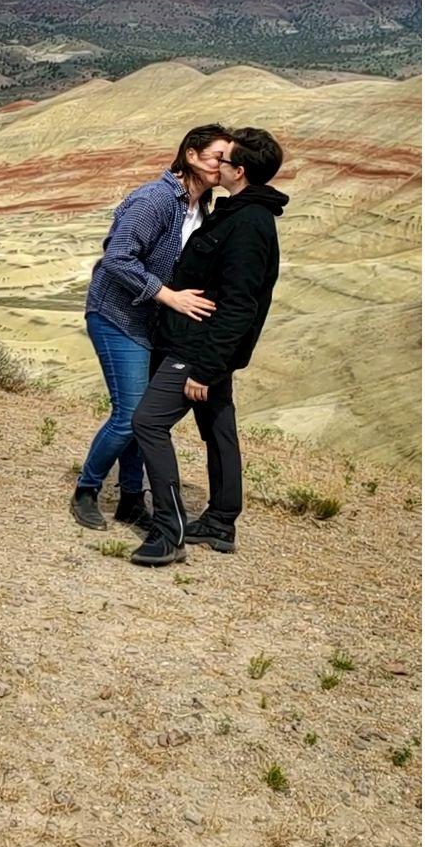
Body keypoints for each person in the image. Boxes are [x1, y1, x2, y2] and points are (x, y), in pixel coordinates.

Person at [127, 127, 289, 566]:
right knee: (218, 429)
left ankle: (168, 529)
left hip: (197, 348)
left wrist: (205, 368)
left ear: (239, 171)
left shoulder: (248, 224)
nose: (217, 163)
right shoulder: (236, 212)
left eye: (225, 159)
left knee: (148, 423)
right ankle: (220, 521)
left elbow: (239, 306)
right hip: (202, 346)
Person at [69, 124, 231, 533]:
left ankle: (129, 499)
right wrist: (168, 296)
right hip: (117, 316)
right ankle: (86, 490)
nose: (223, 167)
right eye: (217, 157)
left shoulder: (201, 205)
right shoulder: (157, 199)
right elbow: (118, 258)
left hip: (150, 324)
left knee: (144, 416)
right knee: (128, 416)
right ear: (192, 155)